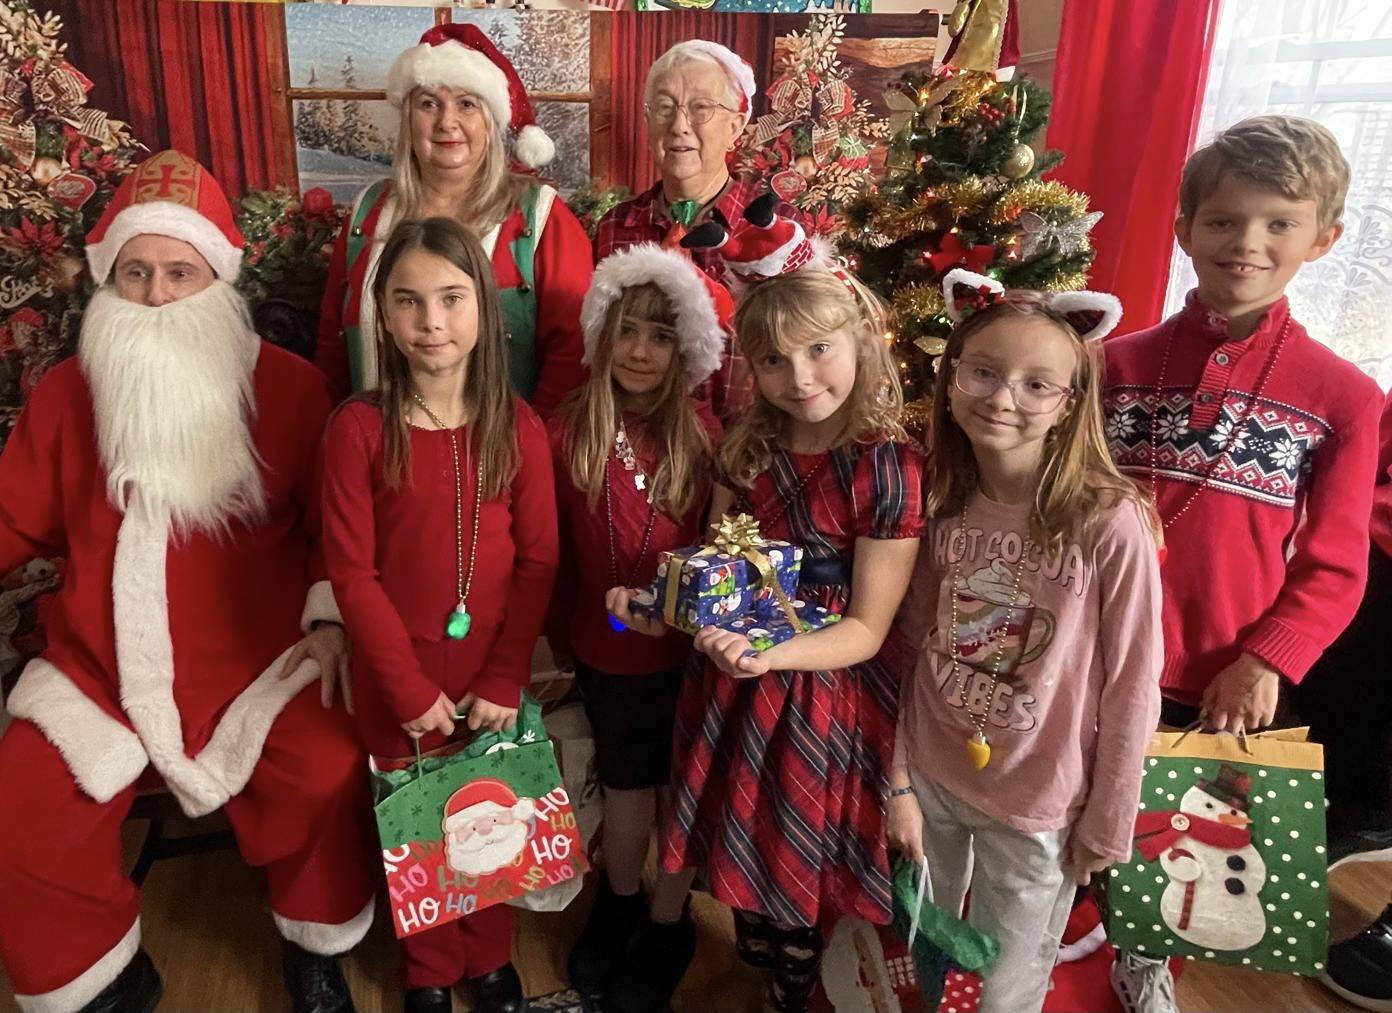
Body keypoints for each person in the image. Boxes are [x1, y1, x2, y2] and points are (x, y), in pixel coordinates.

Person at [0, 149, 375, 1013]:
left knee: (327, 766)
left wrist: (328, 622)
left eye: (179, 272)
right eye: (136, 273)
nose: (158, 295)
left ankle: (314, 943)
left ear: (216, 280)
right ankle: (100, 979)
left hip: (262, 666)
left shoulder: (292, 392)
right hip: (98, 672)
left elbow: (335, 531)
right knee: (20, 807)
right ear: (110, 281)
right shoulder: (67, 396)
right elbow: (14, 516)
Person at [1101, 115, 1385, 1013]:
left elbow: (1337, 562)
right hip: (1093, 650)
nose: (1247, 243)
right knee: (1076, 814)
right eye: (1223, 220)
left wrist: (1267, 659)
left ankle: (1144, 960)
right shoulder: (1113, 364)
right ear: (1185, 228)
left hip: (1218, 677)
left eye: (1278, 223)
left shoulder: (1347, 396)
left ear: (1324, 238)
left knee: (1176, 843)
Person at [611, 245, 926, 1012]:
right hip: (734, 682)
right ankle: (755, 963)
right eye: (776, 360)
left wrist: (769, 652)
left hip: (821, 694)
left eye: (819, 349)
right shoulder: (747, 448)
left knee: (797, 851)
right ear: (752, 367)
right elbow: (717, 568)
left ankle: (795, 988)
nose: (801, 376)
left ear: (860, 339)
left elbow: (868, 629)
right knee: (741, 838)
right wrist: (657, 605)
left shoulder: (887, 466)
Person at [885, 270, 1163, 1013]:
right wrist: (900, 780)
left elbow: (1134, 680)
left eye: (1037, 384)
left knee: (1007, 979)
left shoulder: (1109, 521)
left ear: (1069, 404)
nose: (1003, 398)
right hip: (936, 773)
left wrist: (1110, 815)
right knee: (932, 942)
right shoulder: (941, 501)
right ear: (950, 380)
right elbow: (911, 646)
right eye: (982, 372)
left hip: (1040, 794)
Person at [320, 217, 557, 1013]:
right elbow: (351, 574)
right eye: (408, 300)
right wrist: (404, 687)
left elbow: (539, 561)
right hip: (399, 676)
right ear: (383, 315)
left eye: (451, 298)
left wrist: (505, 672)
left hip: (492, 671)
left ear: (484, 308)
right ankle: (428, 964)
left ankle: (487, 955)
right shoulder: (358, 429)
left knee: (490, 811)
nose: (431, 321)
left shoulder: (519, 427)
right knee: (418, 822)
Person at [546, 243, 727, 1009]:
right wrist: (558, 637)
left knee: (680, 793)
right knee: (623, 789)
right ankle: (620, 900)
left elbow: (726, 550)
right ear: (603, 335)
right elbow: (550, 552)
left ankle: (667, 920)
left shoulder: (707, 437)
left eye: (661, 335)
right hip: (606, 655)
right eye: (628, 331)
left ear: (686, 348)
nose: (642, 351)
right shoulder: (567, 432)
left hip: (692, 657)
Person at [316, 23, 591, 414]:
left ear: (491, 120)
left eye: (466, 104)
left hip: (503, 446)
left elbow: (573, 354)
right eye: (429, 104)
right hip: (376, 442)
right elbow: (333, 346)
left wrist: (532, 442)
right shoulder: (368, 211)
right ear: (408, 117)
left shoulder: (542, 217)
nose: (447, 122)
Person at [594, 40, 810, 424]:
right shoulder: (615, 227)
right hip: (641, 442)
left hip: (749, 443)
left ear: (735, 126)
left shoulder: (776, 233)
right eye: (665, 108)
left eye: (700, 108)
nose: (679, 126)